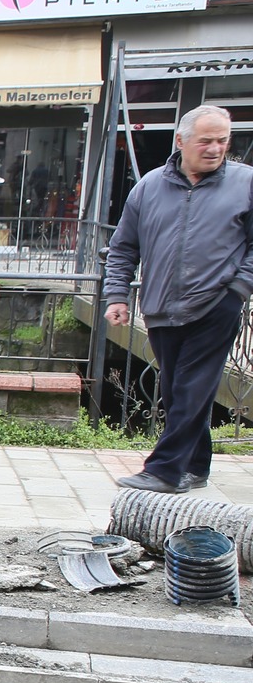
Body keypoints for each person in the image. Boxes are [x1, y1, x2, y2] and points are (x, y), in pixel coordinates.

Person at [104, 105, 253, 494]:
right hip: (159, 308)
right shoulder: (149, 186)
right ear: (181, 141)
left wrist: (237, 289)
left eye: (223, 140)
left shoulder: (246, 183)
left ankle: (165, 470)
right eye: (206, 140)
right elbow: (123, 248)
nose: (215, 148)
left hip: (216, 304)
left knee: (190, 387)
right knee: (179, 390)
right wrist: (117, 295)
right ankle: (195, 467)